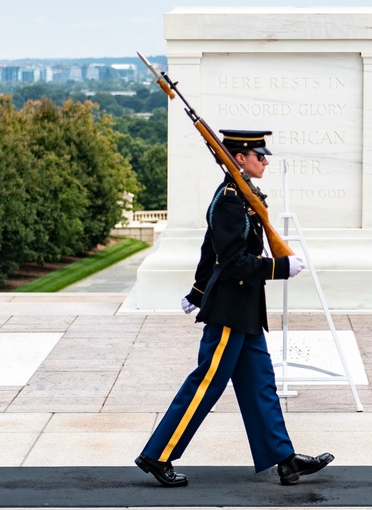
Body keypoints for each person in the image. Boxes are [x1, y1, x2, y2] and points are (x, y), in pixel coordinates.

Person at [135, 129, 334, 487]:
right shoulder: (230, 200)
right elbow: (231, 261)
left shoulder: (240, 197)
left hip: (245, 310)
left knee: (261, 386)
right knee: (207, 383)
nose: (266, 161)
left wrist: (196, 291)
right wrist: (279, 268)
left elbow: (209, 248)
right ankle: (157, 453)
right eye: (260, 156)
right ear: (239, 159)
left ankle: (284, 460)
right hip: (230, 309)